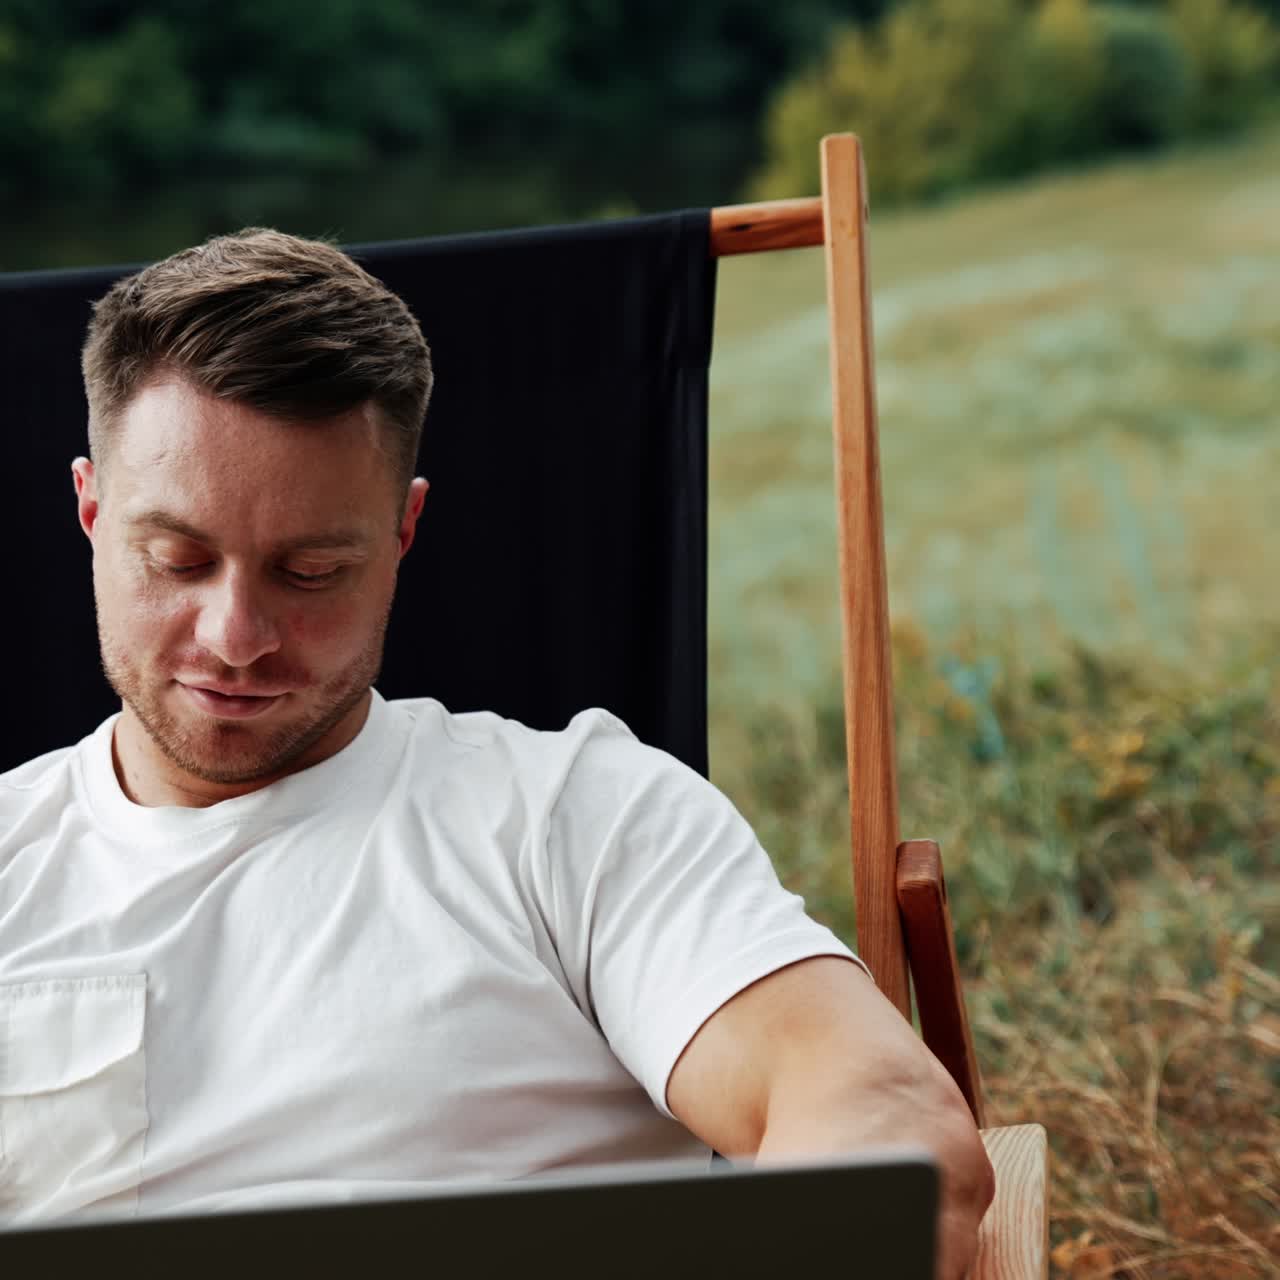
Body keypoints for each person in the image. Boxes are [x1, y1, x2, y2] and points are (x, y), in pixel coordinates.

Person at [0, 229, 993, 1278]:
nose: (234, 634)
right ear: (91, 509)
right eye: (178, 559)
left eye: (312, 570)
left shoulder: (573, 817)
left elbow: (873, 1118)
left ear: (402, 533)